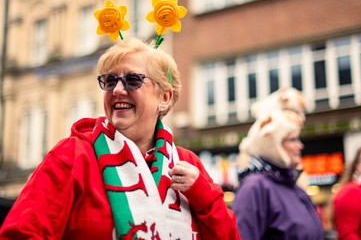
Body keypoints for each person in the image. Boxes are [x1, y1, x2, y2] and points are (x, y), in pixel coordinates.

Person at [0, 38, 240, 240]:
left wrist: (202, 194)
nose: (117, 90)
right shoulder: (73, 155)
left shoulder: (188, 163)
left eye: (133, 80)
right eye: (110, 81)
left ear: (164, 98)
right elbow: (21, 233)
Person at [232, 106, 325, 240]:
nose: (300, 146)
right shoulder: (255, 186)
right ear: (273, 144)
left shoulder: (294, 186)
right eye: (293, 139)